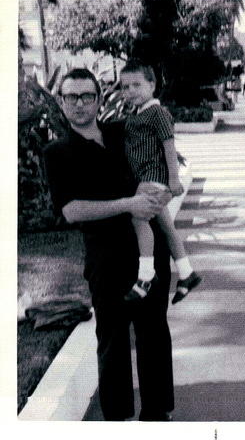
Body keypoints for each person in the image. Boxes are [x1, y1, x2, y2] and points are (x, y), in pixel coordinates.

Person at [43, 68, 174, 421]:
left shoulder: (124, 133)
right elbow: (72, 211)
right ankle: (117, 421)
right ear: (61, 101)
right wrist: (128, 204)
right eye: (72, 97)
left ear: (100, 99)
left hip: (149, 251)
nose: (81, 103)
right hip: (106, 260)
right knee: (113, 340)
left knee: (153, 334)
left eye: (88, 96)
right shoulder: (58, 152)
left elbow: (160, 155)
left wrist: (160, 187)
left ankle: (157, 414)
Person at [119, 60, 201, 304]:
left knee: (138, 216)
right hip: (145, 177)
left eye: (136, 85)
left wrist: (174, 179)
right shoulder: (137, 114)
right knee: (166, 226)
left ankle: (146, 274)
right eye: (125, 87)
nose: (130, 91)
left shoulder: (157, 113)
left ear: (152, 85)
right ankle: (187, 273)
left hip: (153, 177)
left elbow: (169, 145)